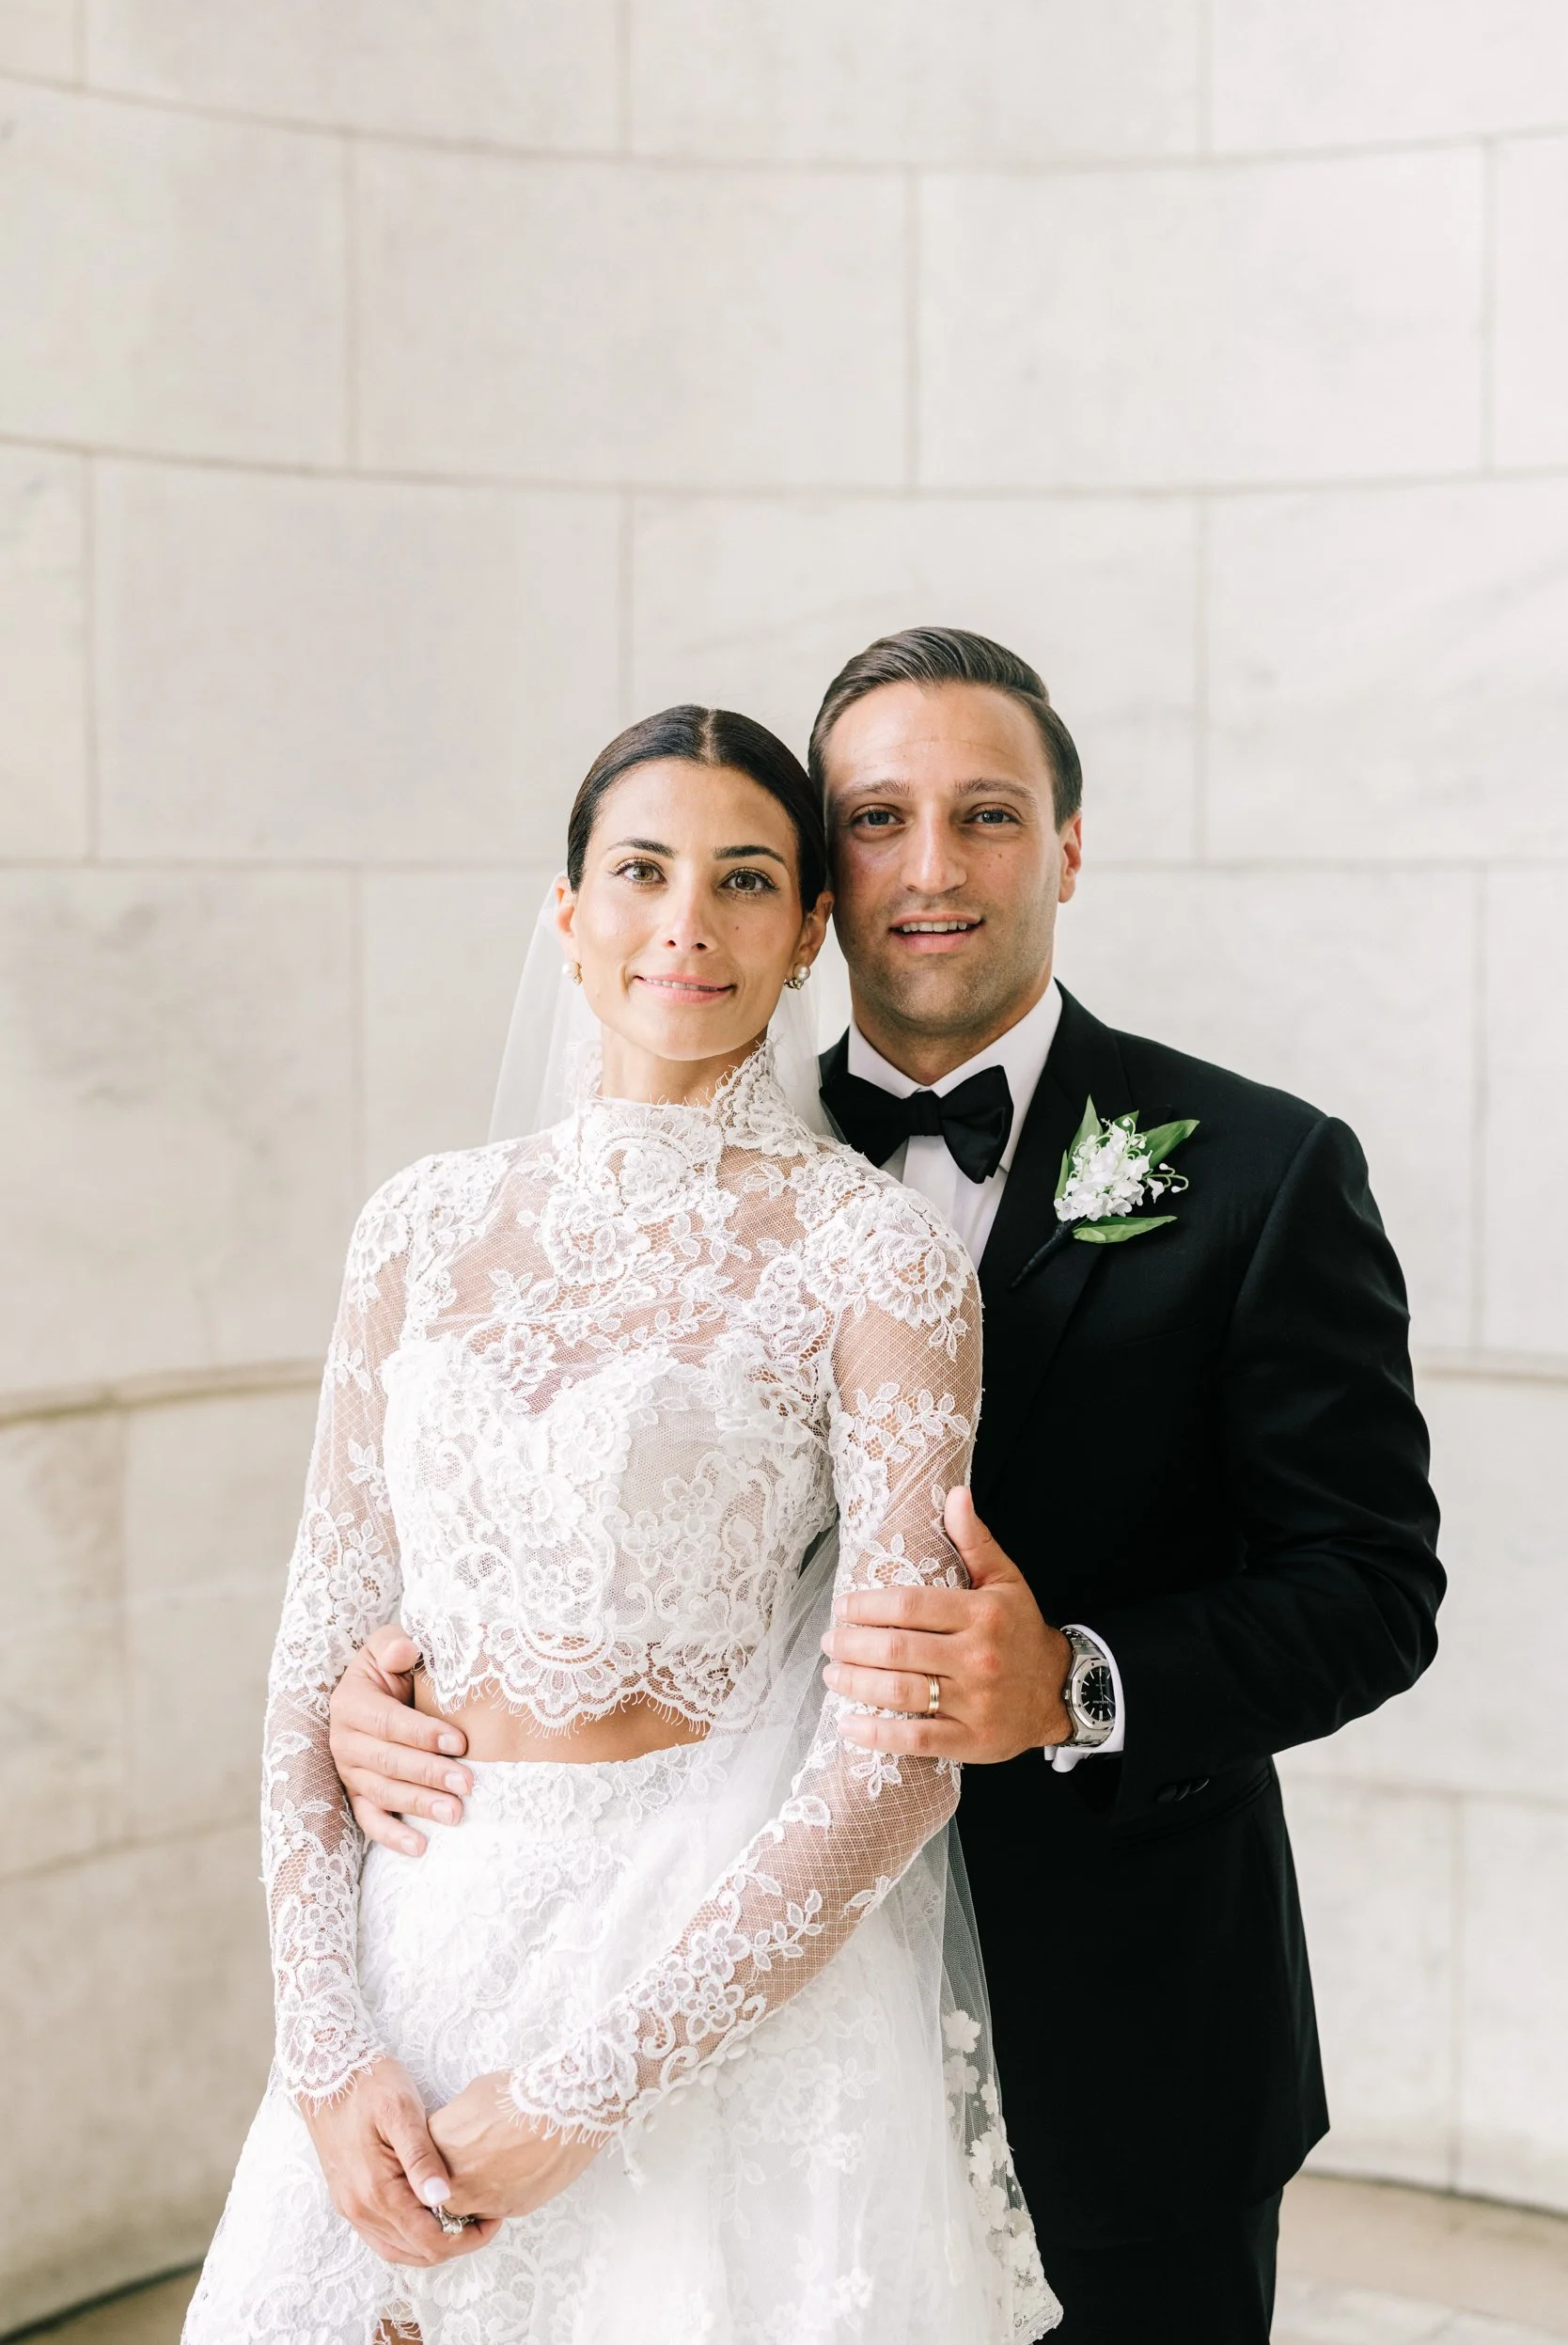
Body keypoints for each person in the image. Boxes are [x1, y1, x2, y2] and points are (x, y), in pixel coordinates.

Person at [333, 630, 1445, 2344]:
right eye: (878, 820)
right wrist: (382, 1691)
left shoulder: (1265, 1171)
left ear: (1068, 846)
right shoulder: (682, 1175)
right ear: (817, 888)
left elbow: (1372, 1585)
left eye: (988, 815)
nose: (932, 867)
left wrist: (1077, 1680)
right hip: (743, 2028)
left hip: (1121, 2022)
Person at [183, 702, 1057, 2345]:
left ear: (807, 934)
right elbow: (314, 1656)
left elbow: (898, 1751)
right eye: (639, 869)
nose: (684, 923)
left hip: (695, 1971)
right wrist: (324, 2049)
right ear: (565, 910)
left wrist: (595, 2087)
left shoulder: (874, 1258)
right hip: (419, 1949)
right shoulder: (416, 1229)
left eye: (743, 880)